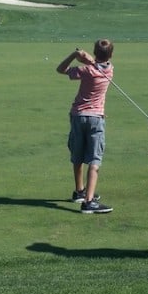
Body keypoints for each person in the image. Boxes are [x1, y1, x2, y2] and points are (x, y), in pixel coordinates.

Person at [56, 39, 115, 214]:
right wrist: (89, 60)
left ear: (94, 52)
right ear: (110, 55)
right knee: (94, 161)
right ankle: (89, 202)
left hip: (77, 116)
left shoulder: (86, 70)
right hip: (96, 119)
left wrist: (75, 55)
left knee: (78, 156)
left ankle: (79, 192)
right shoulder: (110, 70)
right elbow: (99, 64)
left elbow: (61, 69)